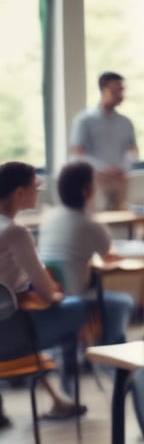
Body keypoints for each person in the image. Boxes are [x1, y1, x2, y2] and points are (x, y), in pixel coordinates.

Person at [0, 161, 88, 419]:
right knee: (78, 308)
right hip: (10, 333)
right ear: (19, 193)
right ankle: (68, 386)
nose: (38, 191)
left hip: (8, 322)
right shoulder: (15, 232)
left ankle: (57, 399)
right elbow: (46, 292)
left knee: (25, 314)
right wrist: (54, 295)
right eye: (35, 186)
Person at [37, 161, 134, 349]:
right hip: (78, 295)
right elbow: (109, 257)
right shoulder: (90, 224)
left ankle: (94, 352)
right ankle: (108, 352)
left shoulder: (49, 218)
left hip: (53, 293)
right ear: (88, 191)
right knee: (124, 302)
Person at [70, 71, 138, 210]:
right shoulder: (84, 120)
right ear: (103, 90)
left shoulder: (125, 122)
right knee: (98, 216)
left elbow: (132, 151)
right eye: (115, 90)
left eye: (122, 90)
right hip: (95, 180)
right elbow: (77, 153)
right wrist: (103, 169)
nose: (120, 95)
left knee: (122, 216)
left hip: (120, 179)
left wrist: (123, 167)